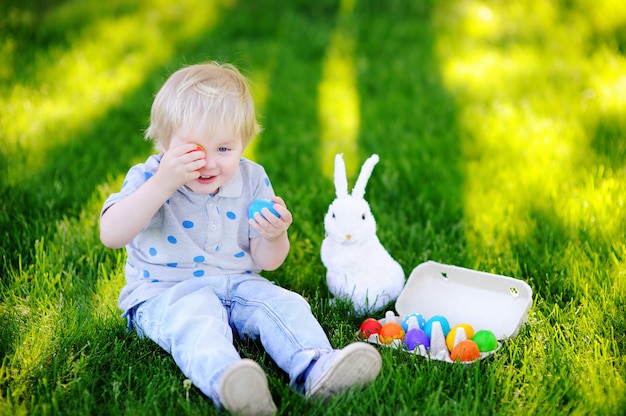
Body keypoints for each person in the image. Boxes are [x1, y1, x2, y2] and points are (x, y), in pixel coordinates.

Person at [99, 61, 381, 415]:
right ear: (164, 141)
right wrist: (162, 184)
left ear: (243, 144)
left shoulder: (252, 179)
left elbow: (268, 261)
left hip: (238, 284)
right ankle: (229, 381)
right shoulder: (149, 177)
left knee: (284, 304)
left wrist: (275, 234)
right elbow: (111, 234)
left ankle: (317, 365)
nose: (209, 163)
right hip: (165, 293)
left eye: (224, 149)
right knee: (197, 318)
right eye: (193, 150)